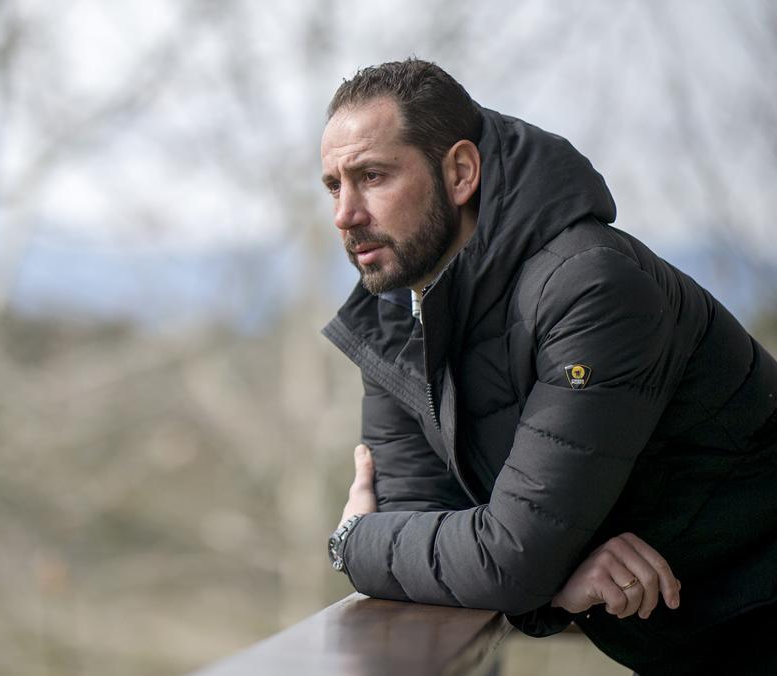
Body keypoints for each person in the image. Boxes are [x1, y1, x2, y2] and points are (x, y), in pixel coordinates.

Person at [319, 58, 777, 674]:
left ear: (459, 173)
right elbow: (437, 529)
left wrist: (352, 540)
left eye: (372, 176)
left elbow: (503, 561)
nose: (346, 214)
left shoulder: (591, 287)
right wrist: (543, 586)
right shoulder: (395, 319)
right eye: (333, 186)